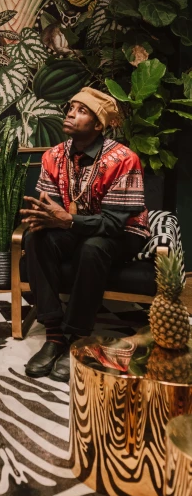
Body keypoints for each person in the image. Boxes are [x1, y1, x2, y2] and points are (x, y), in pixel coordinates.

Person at [20, 87, 150, 383]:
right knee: (35, 237)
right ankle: (54, 335)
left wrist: (68, 221)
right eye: (71, 108)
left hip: (123, 233)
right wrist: (46, 218)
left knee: (92, 247)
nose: (70, 113)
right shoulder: (52, 156)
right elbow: (51, 209)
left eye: (82, 111)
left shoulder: (123, 159)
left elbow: (115, 225)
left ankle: (76, 336)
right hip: (75, 226)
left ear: (98, 125)